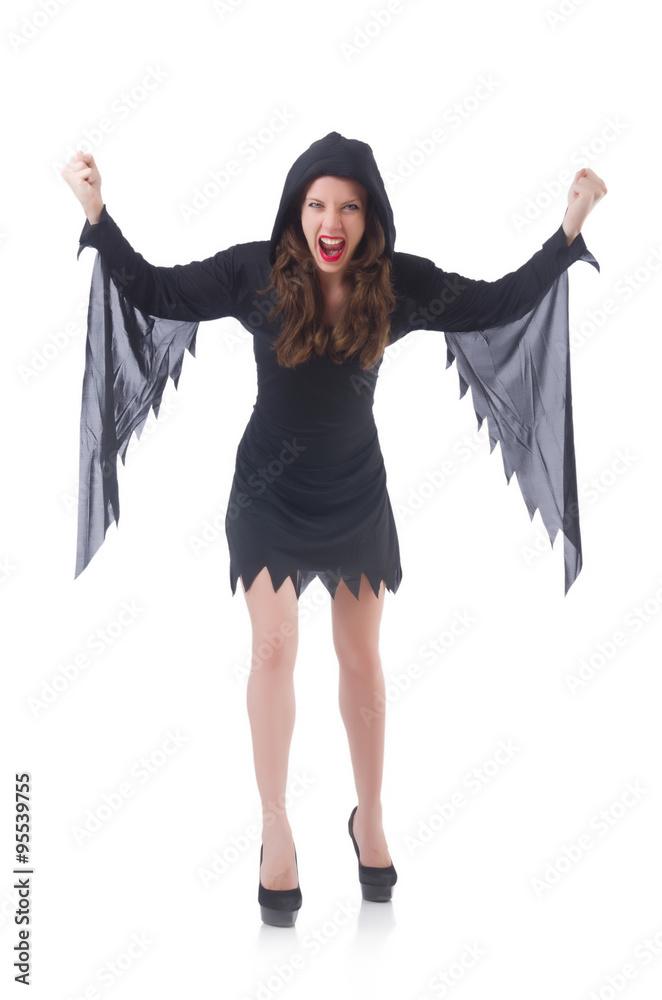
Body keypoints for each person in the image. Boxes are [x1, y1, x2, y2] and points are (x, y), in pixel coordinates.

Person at [61, 132, 606, 926]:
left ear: (370, 217)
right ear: (296, 211)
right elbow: (156, 290)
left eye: (349, 208)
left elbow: (496, 303)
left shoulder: (399, 286)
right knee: (274, 648)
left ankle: (369, 818)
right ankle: (275, 828)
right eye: (317, 205)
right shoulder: (254, 273)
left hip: (353, 493)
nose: (331, 221)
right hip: (268, 494)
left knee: (360, 655)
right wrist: (97, 214)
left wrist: (568, 229)